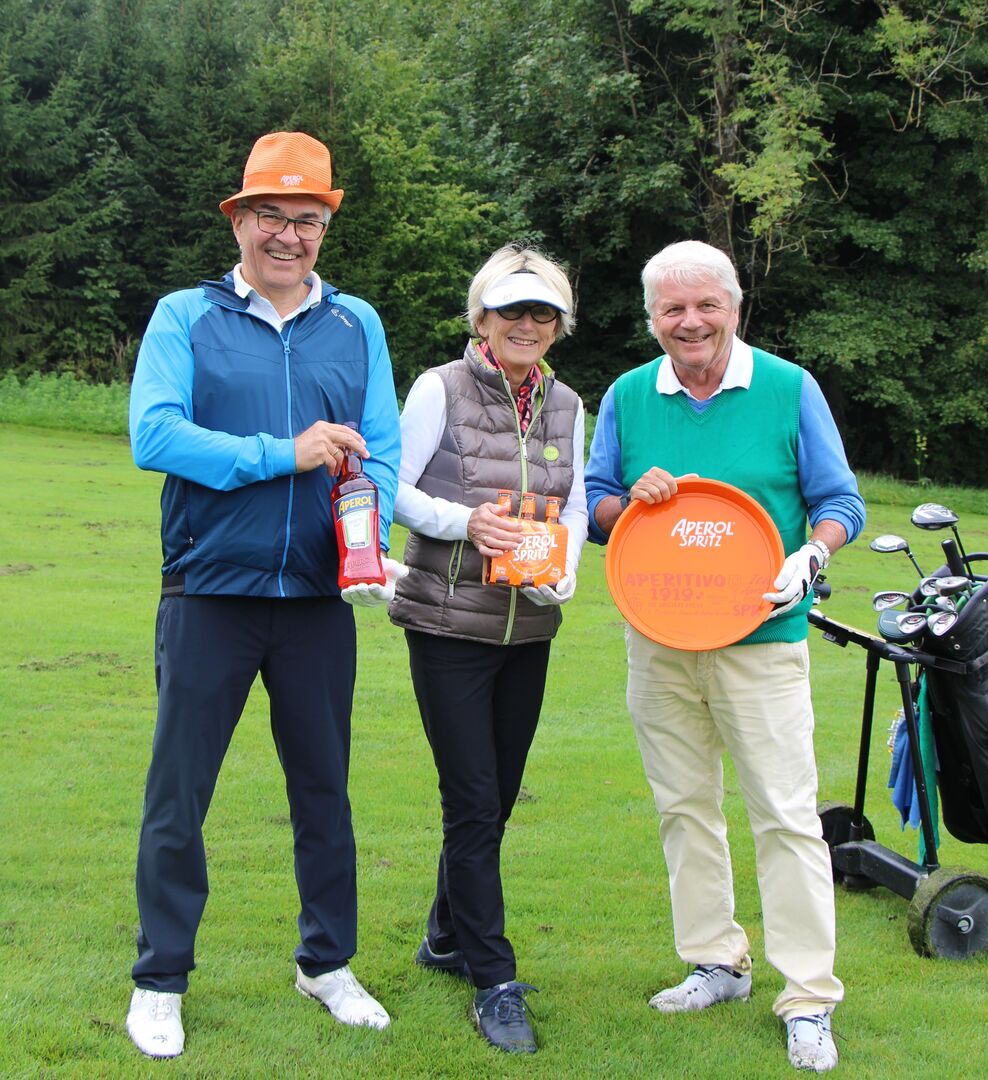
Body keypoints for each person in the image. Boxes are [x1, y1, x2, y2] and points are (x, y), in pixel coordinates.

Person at [125, 131, 403, 1059]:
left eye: (308, 219)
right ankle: (160, 979)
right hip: (209, 588)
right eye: (271, 216)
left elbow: (381, 449)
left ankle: (327, 964)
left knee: (324, 792)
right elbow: (155, 435)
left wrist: (369, 538)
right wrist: (283, 454)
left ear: (326, 226)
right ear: (238, 220)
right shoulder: (185, 315)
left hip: (321, 598)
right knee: (179, 794)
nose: (289, 235)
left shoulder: (356, 323)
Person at [585, 240, 865, 1073]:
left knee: (785, 816)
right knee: (684, 807)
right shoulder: (629, 395)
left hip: (762, 643)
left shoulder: (788, 387)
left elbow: (839, 500)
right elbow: (595, 503)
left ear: (735, 308)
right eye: (672, 308)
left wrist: (810, 554)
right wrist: (626, 504)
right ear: (652, 318)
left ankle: (808, 998)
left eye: (706, 304)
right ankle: (717, 962)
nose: (691, 321)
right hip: (660, 640)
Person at [384, 243, 588, 1054]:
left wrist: (565, 571)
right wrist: (463, 521)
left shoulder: (569, 402)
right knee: (471, 802)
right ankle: (493, 979)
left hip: (527, 627)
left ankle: (445, 936)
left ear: (558, 324)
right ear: (482, 317)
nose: (526, 324)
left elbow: (576, 504)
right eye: (511, 311)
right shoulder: (439, 387)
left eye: (542, 312)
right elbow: (390, 485)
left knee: (496, 799)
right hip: (446, 623)